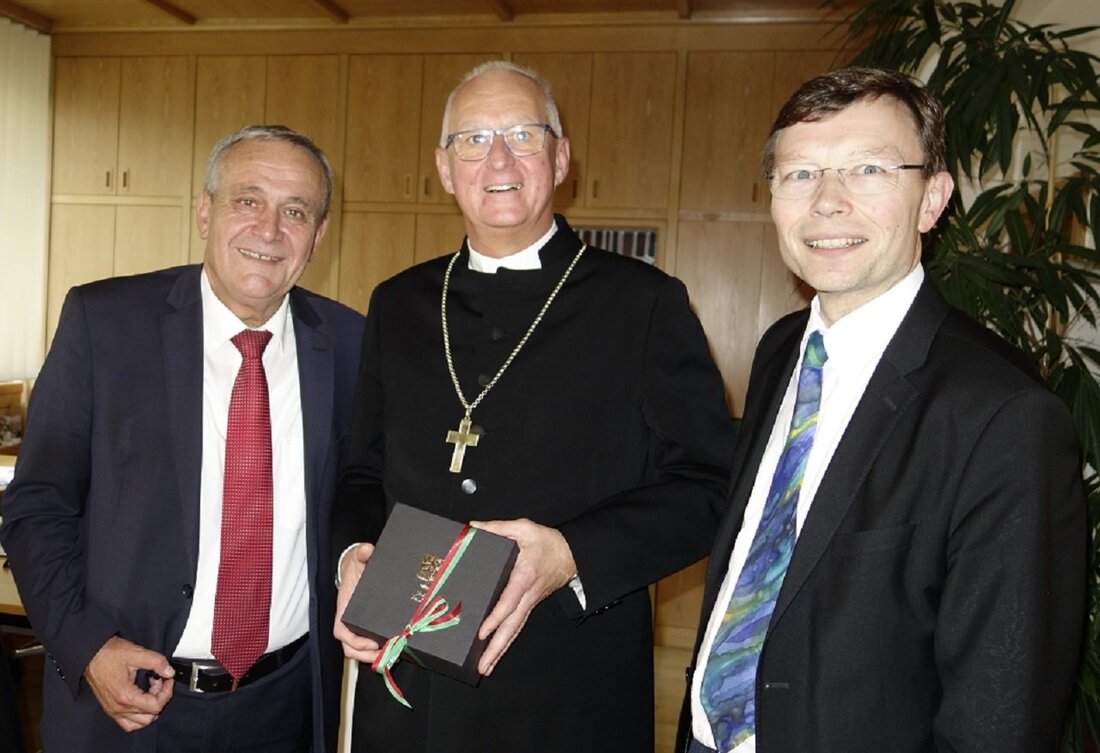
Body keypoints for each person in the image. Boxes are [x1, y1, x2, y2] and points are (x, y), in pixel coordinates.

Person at [677, 67, 1087, 753]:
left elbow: (1000, 718)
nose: (828, 202)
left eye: (867, 169)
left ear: (933, 199)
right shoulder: (782, 349)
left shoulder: (1005, 416)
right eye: (800, 173)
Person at [332, 60, 737, 753]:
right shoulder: (399, 302)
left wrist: (573, 552)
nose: (498, 157)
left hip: (569, 685)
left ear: (561, 156)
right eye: (473, 138)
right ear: (442, 165)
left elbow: (712, 485)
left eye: (523, 133)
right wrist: (352, 556)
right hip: (410, 692)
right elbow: (363, 474)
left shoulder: (642, 303)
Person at [0, 124, 364, 752]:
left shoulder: (354, 345)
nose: (270, 230)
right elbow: (37, 508)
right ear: (204, 211)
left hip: (286, 707)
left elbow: (365, 494)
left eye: (295, 211)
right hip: (128, 704)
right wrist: (88, 646)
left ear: (318, 236)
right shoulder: (104, 323)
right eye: (248, 200)